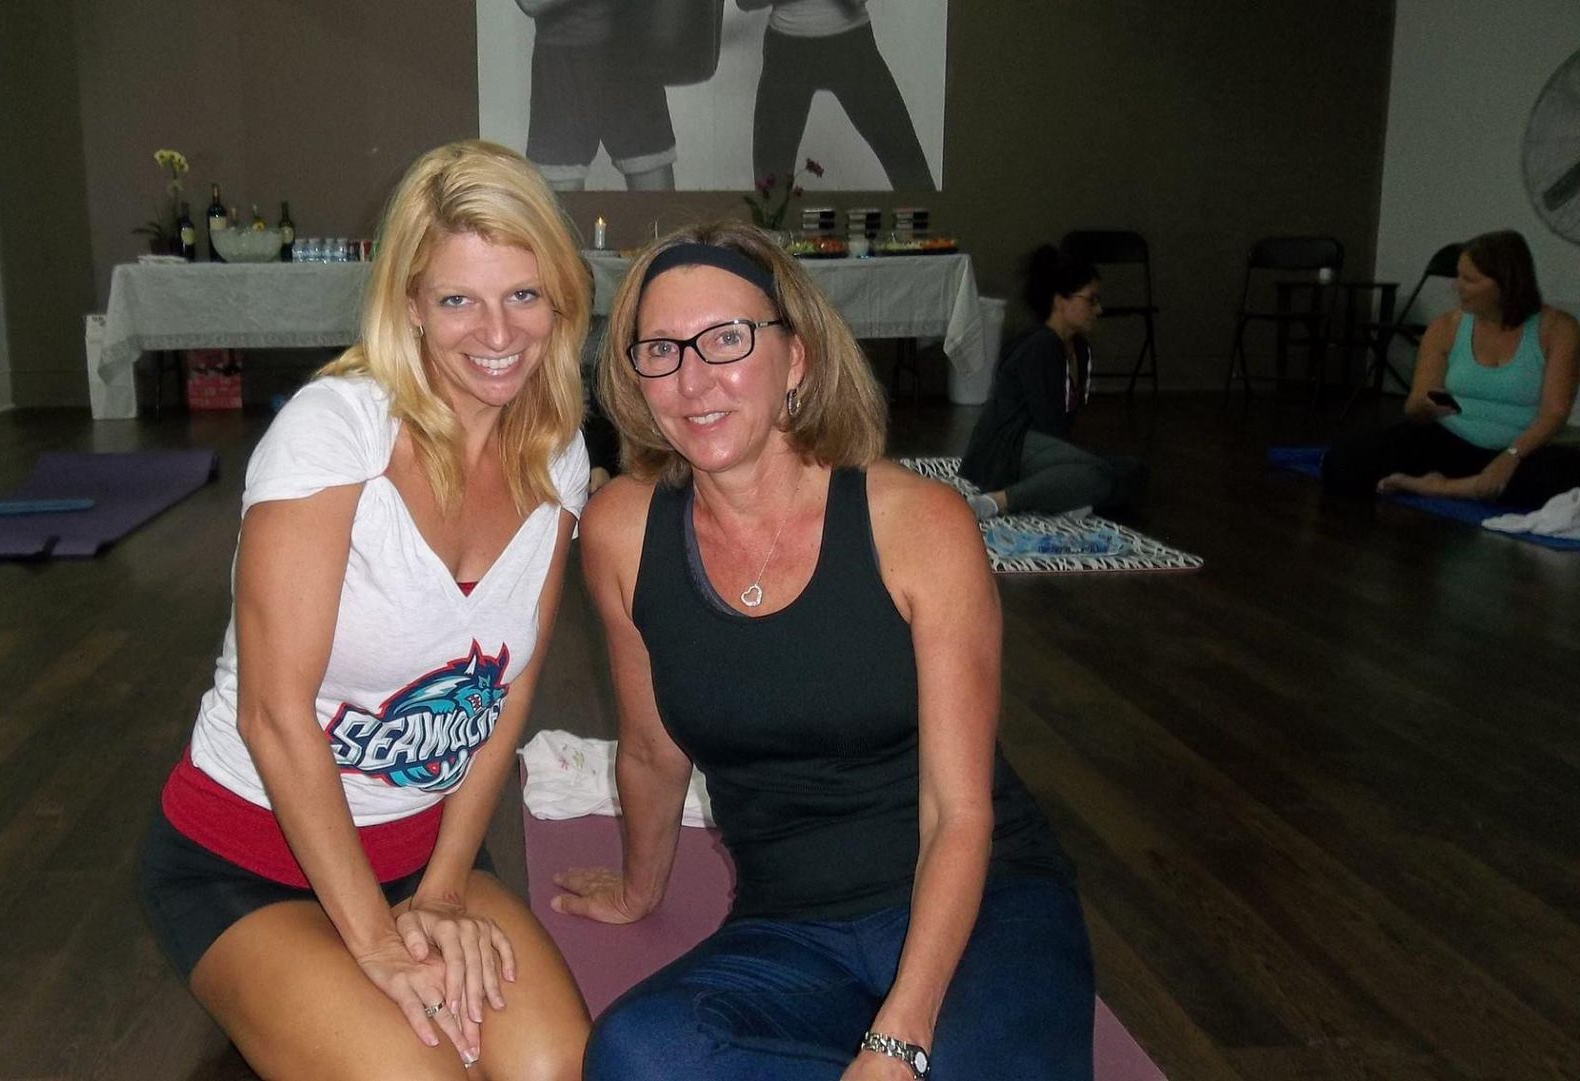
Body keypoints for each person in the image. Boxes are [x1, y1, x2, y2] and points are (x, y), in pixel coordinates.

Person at [556, 220, 1093, 1080]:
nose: (692, 378)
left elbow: (957, 813)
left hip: (981, 903)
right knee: (636, 1053)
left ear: (797, 357)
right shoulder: (622, 528)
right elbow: (653, 750)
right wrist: (637, 888)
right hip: (792, 927)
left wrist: (898, 1037)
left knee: (952, 1064)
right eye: (661, 349)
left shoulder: (917, 523)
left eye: (727, 338)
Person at [136, 140, 593, 1081]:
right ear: (411, 303)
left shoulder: (558, 454)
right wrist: (379, 945)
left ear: (560, 297)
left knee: (558, 1068)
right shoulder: (335, 431)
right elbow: (273, 713)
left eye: (523, 293)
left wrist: (445, 889)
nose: (496, 330)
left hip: (420, 856)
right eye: (458, 299)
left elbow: (504, 696)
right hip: (246, 860)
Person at [1322, 230, 1580, 505]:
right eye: (1458, 276)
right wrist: (1424, 405)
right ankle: (1473, 487)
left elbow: (1555, 412)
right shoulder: (1446, 326)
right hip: (1451, 438)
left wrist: (1511, 457)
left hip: (1523, 450)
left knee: (1565, 479)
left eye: (1469, 280)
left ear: (1506, 283)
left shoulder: (1558, 328)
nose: (1456, 287)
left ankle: (1441, 488)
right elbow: (1416, 405)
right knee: (1343, 461)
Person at [959, 245, 1146, 520]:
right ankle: (998, 501)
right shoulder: (1041, 346)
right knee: (1097, 475)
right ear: (1060, 301)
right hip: (1007, 449)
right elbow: (1048, 424)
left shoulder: (1079, 348)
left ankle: (1060, 494)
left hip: (1044, 448)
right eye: (1091, 300)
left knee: (1133, 469)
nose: (1098, 309)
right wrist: (1075, 461)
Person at [739, 0, 934, 192]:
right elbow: (745, 2)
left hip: (852, 49)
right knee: (769, 193)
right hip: (786, 53)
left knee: (914, 179)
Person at [519, 0, 677, 192]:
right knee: (562, 200)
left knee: (657, 200)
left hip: (630, 52)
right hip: (562, 59)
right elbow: (530, 3)